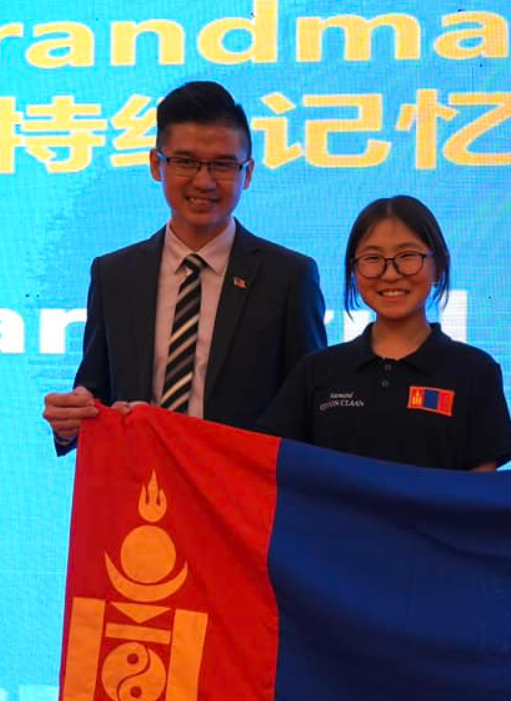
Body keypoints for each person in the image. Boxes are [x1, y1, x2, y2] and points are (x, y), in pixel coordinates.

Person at [42, 81, 326, 451]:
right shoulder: (114, 275)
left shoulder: (288, 277)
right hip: (140, 481)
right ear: (156, 165)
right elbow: (95, 395)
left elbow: (309, 409)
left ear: (248, 173)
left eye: (223, 164)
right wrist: (71, 422)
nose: (203, 181)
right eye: (186, 162)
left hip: (237, 484)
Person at [258, 195, 511, 471]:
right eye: (372, 258)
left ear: (439, 267)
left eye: (407, 256)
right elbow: (270, 466)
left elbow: (482, 487)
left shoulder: (475, 371)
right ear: (353, 271)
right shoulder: (318, 370)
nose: (391, 274)